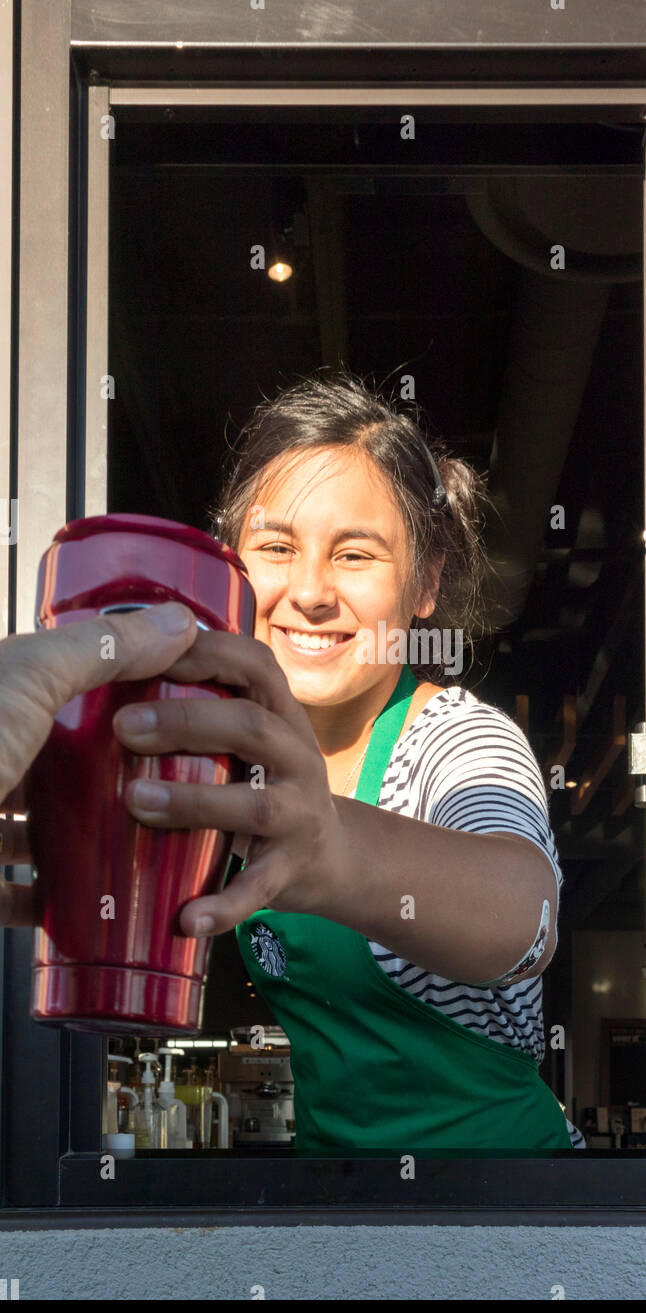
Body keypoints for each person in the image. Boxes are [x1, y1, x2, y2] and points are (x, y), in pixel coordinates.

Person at [1, 369, 578, 1152]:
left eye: (355, 554)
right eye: (276, 547)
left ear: (426, 582)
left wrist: (336, 852)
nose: (309, 592)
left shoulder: (456, 739)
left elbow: (526, 920)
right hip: (329, 1195)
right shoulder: (223, 751)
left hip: (511, 1199)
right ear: (235, 573)